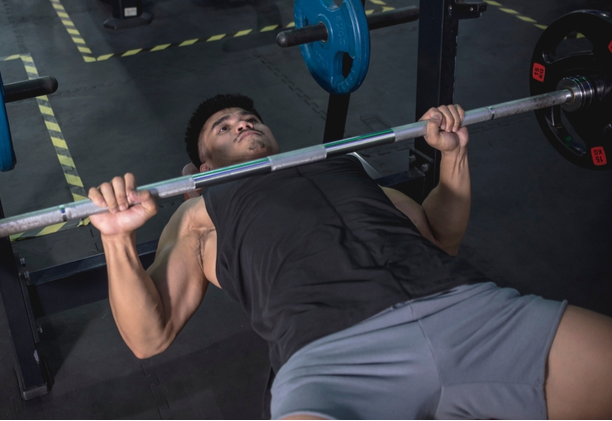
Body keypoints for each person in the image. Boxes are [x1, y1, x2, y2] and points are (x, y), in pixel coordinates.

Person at [88, 94, 612, 419]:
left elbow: (438, 235)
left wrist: (453, 156)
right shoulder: (204, 209)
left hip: (468, 309)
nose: (243, 125)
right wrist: (116, 239)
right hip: (333, 358)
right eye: (223, 128)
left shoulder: (343, 167)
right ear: (200, 167)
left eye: (248, 118)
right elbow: (147, 337)